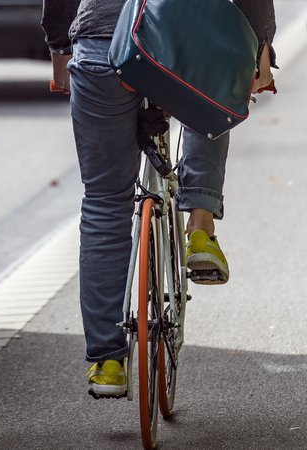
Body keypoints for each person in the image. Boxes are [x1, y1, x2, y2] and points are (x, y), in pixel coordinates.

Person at [40, 0, 277, 398]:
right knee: (211, 81)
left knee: (104, 201)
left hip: (102, 43)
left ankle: (108, 362)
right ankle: (200, 225)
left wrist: (60, 47)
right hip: (184, 27)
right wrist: (261, 48)